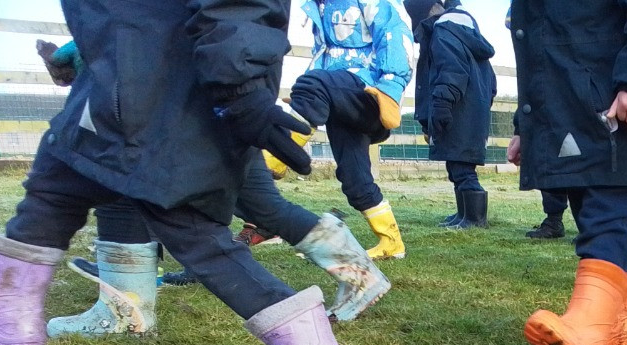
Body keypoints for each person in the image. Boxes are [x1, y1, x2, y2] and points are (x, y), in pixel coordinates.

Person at [0, 0, 361, 345]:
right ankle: (14, 308)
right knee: (57, 183)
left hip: (173, 96)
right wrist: (75, 56)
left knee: (191, 226)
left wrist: (241, 91)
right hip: (127, 85)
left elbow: (236, 8)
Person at [36, 42, 390, 326]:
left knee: (119, 192)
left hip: (167, 118)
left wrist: (60, 58)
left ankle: (124, 312)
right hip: (227, 109)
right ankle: (361, 275)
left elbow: (96, 45)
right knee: (263, 206)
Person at [507, 1, 627, 345]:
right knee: (590, 215)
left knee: (605, 215)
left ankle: (587, 328)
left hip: (615, 103)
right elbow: (536, 52)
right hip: (563, 111)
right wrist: (527, 129)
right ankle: (619, 329)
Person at [288, 0, 414, 260]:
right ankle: (391, 243)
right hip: (338, 97)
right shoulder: (319, 8)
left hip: (368, 93)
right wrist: (309, 100)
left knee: (312, 84)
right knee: (354, 179)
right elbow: (323, 54)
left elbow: (394, 33)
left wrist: (391, 88)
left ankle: (277, 156)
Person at [405, 0, 496, 230]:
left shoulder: (445, 30)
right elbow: (491, 83)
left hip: (458, 109)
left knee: (463, 169)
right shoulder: (466, 31)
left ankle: (475, 219)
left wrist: (442, 104)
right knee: (457, 164)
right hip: (471, 109)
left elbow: (450, 70)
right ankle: (463, 214)